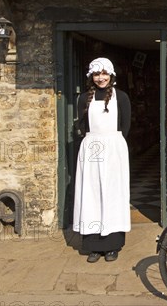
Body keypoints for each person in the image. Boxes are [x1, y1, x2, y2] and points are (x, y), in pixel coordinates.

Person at [73, 57, 132, 263]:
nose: (101, 78)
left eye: (104, 74)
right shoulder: (83, 98)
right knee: (92, 194)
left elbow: (126, 124)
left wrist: (112, 144)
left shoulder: (122, 97)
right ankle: (93, 246)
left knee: (113, 193)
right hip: (91, 150)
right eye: (97, 74)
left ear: (111, 75)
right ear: (92, 76)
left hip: (114, 148)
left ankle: (113, 245)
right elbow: (81, 126)